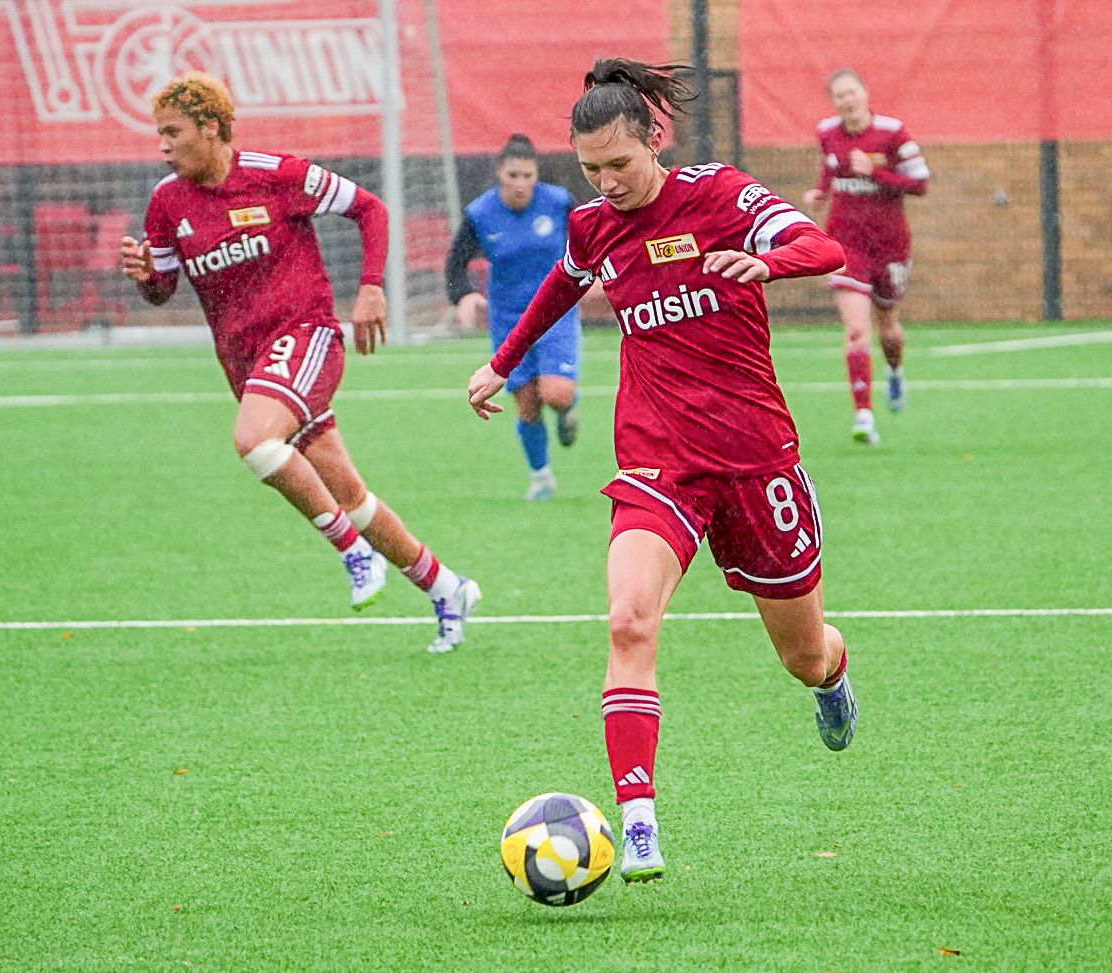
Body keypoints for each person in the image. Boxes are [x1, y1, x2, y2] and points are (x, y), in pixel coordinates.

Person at [467, 58, 858, 884]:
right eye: (589, 169)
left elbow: (822, 247)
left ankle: (832, 675)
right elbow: (556, 293)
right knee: (628, 620)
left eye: (618, 163)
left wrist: (769, 263)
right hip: (657, 460)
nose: (605, 183)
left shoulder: (718, 194)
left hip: (756, 460)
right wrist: (502, 365)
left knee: (802, 654)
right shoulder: (592, 227)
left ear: (655, 139)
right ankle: (638, 822)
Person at [119, 72, 480, 653]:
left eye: (172, 132)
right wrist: (144, 275)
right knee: (352, 495)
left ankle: (351, 552)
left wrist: (370, 288)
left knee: (255, 441)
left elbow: (371, 208)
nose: (162, 144)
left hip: (305, 337)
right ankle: (447, 587)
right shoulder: (167, 202)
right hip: (247, 364)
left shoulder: (276, 174)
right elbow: (161, 289)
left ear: (210, 127)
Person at [445, 134, 584, 501]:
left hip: (557, 313)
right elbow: (456, 263)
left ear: (537, 174)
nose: (520, 183)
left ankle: (568, 410)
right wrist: (464, 295)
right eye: (513, 176)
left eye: (527, 175)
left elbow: (591, 241)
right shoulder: (480, 214)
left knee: (555, 393)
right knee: (526, 401)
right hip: (509, 318)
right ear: (499, 174)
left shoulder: (559, 203)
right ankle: (541, 478)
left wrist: (599, 274)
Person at [802, 68, 929, 446]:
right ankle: (864, 415)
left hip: (889, 246)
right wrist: (820, 192)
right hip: (845, 245)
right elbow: (830, 171)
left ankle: (895, 372)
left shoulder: (892, 133)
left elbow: (920, 183)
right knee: (857, 330)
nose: (847, 100)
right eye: (839, 95)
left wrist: (875, 172)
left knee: (888, 329)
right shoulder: (827, 133)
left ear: (865, 93)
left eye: (852, 92)